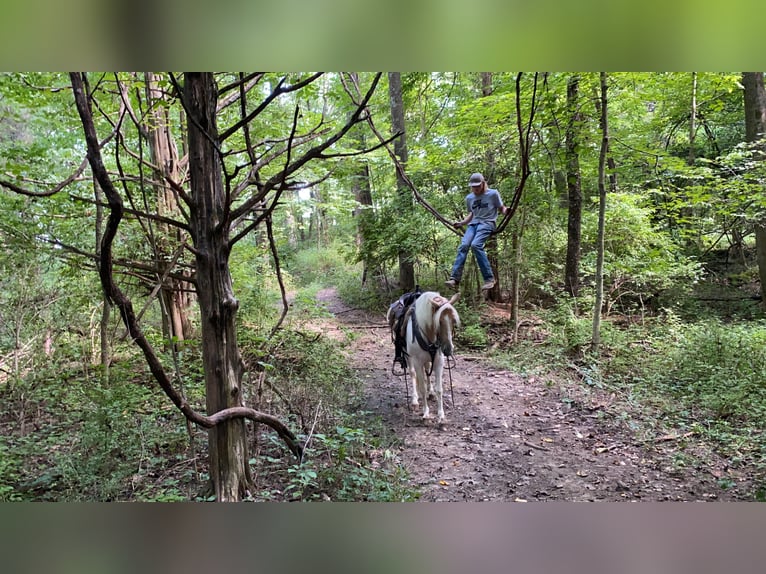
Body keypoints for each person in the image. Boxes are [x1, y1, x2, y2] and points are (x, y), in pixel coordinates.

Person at [445, 172, 509, 291]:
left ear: (483, 184)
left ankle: (489, 279)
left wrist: (506, 211)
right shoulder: (469, 198)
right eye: (473, 187)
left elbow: (501, 208)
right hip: (473, 224)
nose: (476, 189)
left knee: (475, 245)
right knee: (464, 245)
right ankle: (455, 279)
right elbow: (472, 214)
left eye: (478, 186)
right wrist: (461, 223)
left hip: (487, 223)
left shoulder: (493, 194)